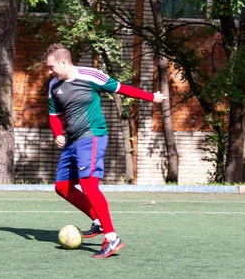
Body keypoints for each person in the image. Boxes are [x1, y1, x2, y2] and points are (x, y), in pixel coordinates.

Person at [43, 43, 166, 258]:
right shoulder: (54, 85)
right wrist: (57, 133)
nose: (49, 71)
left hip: (92, 137)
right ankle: (98, 221)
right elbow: (53, 115)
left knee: (89, 185)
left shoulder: (90, 75)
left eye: (51, 67)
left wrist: (151, 98)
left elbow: (121, 88)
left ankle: (111, 237)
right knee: (62, 187)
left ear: (64, 62)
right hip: (71, 141)